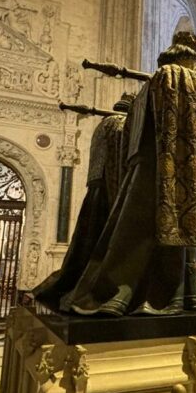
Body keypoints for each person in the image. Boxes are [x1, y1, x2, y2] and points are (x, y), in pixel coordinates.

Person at [62, 32, 196, 316]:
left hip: (144, 169)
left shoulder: (149, 86)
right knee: (174, 224)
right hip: (179, 170)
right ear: (190, 59)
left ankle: (123, 291)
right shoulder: (194, 80)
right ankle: (173, 295)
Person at [34, 92, 135, 305]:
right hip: (110, 187)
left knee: (88, 242)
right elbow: (118, 161)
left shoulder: (103, 124)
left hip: (96, 188)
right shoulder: (120, 125)